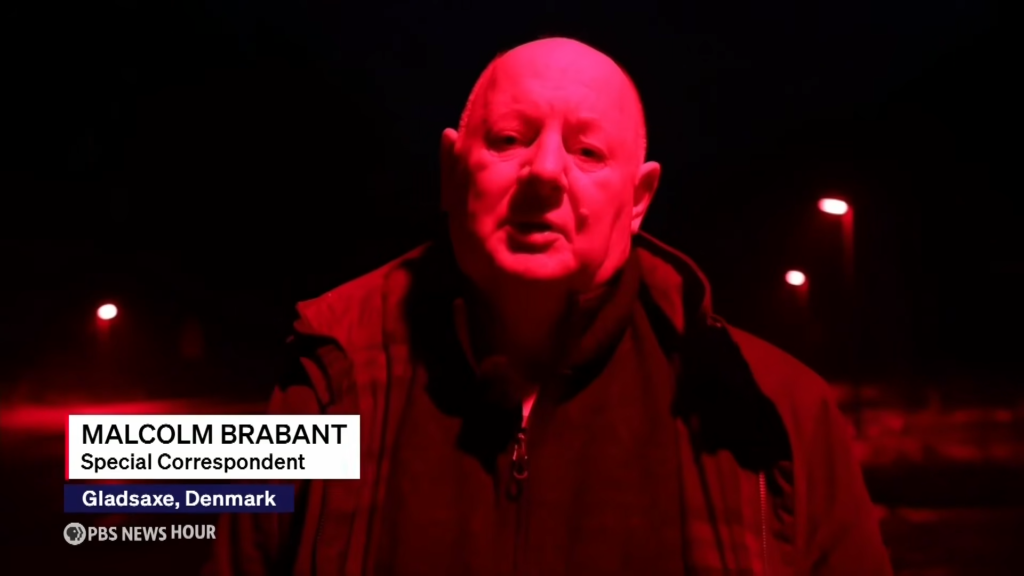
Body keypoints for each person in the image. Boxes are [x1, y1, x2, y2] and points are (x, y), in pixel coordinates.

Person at [207, 37, 891, 575]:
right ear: (451, 170)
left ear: (638, 199)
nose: (544, 172)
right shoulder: (326, 385)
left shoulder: (775, 414)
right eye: (509, 139)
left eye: (589, 151)